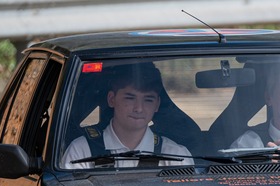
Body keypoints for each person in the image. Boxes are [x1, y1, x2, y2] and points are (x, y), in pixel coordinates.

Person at [62, 64, 193, 169]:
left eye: (148, 100)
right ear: (111, 99)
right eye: (130, 98)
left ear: (157, 104)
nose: (139, 108)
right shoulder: (82, 152)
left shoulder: (177, 156)